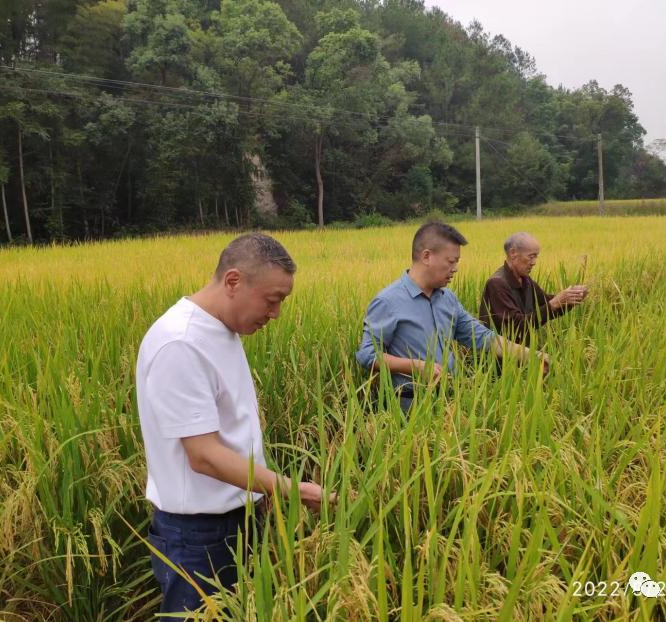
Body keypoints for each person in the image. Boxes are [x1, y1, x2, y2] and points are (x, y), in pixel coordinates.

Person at [136, 233, 331, 616]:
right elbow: (204, 456)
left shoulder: (220, 329)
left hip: (234, 520)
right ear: (233, 281)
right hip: (197, 537)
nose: (275, 314)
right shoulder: (181, 342)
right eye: (273, 300)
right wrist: (293, 491)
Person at [356, 222, 548, 411]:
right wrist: (416, 366)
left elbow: (483, 337)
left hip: (450, 403)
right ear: (427, 256)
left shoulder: (448, 299)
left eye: (457, 262)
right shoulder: (388, 301)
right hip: (409, 408)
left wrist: (532, 356)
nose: (455, 268)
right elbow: (367, 355)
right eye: (451, 261)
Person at [479, 232, 588, 346]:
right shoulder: (497, 284)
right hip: (502, 356)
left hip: (524, 353)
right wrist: (554, 303)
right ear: (513, 253)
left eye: (536, 256)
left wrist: (572, 298)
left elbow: (546, 304)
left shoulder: (526, 281)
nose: (534, 262)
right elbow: (517, 326)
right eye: (531, 256)